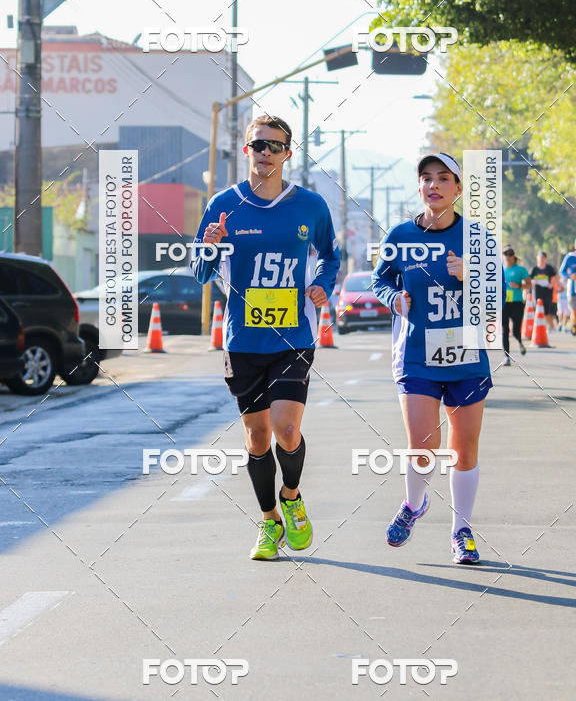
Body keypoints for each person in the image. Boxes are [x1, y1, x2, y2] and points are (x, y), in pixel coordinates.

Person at [191, 114, 340, 560]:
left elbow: (331, 255)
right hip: (243, 340)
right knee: (257, 439)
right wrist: (211, 245)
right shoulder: (223, 203)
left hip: (294, 334)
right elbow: (199, 271)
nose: (266, 153)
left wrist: (322, 286)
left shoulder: (310, 206)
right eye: (259, 145)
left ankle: (292, 496)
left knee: (286, 429)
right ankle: (270, 520)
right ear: (247, 150)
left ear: (288, 154)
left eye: (276, 146)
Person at [372, 152, 504, 565]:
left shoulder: (479, 238)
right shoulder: (399, 236)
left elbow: (497, 299)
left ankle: (461, 529)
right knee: (423, 447)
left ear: (459, 189)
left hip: (466, 352)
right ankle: (413, 504)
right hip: (417, 355)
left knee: (463, 449)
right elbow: (380, 279)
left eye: (443, 178)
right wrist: (394, 298)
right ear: (420, 187)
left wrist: (472, 275)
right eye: (426, 178)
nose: (434, 185)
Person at [501, 246, 531, 366]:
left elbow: (529, 285)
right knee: (505, 330)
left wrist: (519, 286)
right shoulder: (497, 269)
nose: (508, 256)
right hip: (503, 303)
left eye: (510, 254)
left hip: (517, 303)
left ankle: (520, 342)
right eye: (505, 254)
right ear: (502, 256)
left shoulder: (520, 269)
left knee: (516, 331)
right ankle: (507, 357)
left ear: (514, 257)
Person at [559, 237, 576, 336]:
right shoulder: (569, 257)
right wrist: (570, 276)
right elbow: (561, 271)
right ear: (575, 245)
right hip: (572, 290)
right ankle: (574, 324)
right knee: (575, 314)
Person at [529, 251, 558, 332]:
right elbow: (528, 279)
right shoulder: (534, 269)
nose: (542, 259)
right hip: (537, 291)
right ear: (537, 258)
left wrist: (552, 284)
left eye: (543, 258)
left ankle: (548, 327)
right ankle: (537, 327)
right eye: (540, 257)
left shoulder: (549, 268)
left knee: (547, 310)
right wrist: (534, 282)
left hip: (548, 292)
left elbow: (556, 277)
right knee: (537, 308)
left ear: (545, 259)